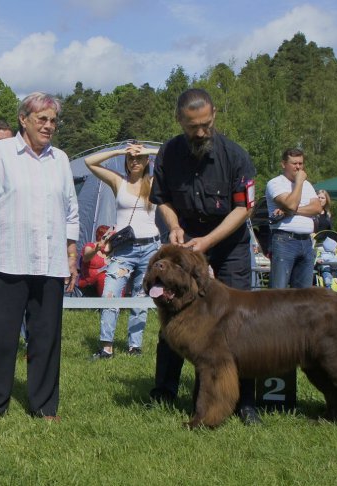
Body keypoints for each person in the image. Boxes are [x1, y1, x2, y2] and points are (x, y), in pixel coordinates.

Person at [0, 92, 79, 421]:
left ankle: (44, 406)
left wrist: (71, 255)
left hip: (49, 264)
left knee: (46, 338)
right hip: (3, 259)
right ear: (24, 119)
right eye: (42, 119)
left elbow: (71, 213)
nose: (49, 126)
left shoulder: (62, 161)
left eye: (53, 120)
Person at [148, 88, 261, 425]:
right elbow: (162, 198)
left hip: (228, 247)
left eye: (206, 124)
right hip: (183, 248)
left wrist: (209, 241)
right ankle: (165, 391)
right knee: (173, 316)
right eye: (192, 126)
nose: (200, 132)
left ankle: (245, 402)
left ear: (215, 115)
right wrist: (174, 227)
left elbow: (245, 207)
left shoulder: (236, 156)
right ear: (179, 120)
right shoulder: (167, 153)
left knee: (237, 325)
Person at [84, 143, 161, 359]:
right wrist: (119, 151)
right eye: (130, 158)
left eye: (139, 158)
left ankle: (134, 347)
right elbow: (89, 162)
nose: (134, 161)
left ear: (147, 161)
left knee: (141, 297)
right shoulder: (119, 182)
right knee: (110, 295)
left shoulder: (155, 182)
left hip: (150, 248)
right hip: (124, 249)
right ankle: (106, 347)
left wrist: (148, 149)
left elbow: (177, 156)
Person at [265, 148, 322, 289]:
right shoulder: (275, 183)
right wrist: (298, 183)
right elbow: (291, 204)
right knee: (279, 292)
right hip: (284, 240)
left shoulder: (307, 185)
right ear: (284, 164)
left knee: (304, 294)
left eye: (301, 163)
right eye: (294, 163)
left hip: (306, 242)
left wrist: (291, 212)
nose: (298, 167)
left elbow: (317, 208)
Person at [77, 225, 111, 297]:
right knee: (104, 277)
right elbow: (86, 257)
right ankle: (107, 304)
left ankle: (118, 303)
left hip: (105, 280)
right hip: (88, 281)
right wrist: (96, 249)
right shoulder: (90, 246)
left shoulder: (111, 249)